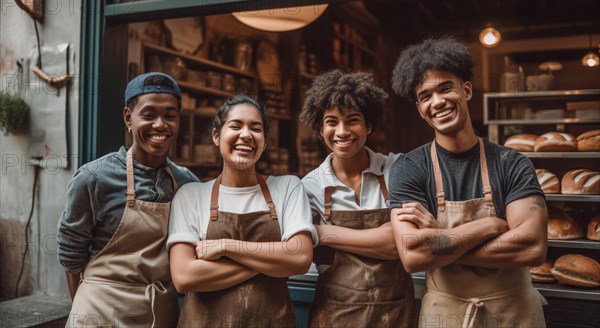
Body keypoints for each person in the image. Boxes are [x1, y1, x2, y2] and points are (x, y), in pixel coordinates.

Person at [389, 36, 548, 328]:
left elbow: (531, 246)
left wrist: (442, 237)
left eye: (445, 88)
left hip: (516, 314)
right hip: (445, 315)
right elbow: (413, 254)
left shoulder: (512, 163)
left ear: (467, 90)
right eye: (425, 96)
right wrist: (487, 226)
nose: (437, 102)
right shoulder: (409, 168)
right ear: (419, 107)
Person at [57, 72, 199, 327]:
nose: (160, 125)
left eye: (170, 115)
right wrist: (86, 309)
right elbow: (71, 257)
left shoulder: (187, 184)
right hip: (99, 315)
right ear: (128, 118)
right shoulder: (95, 178)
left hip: (160, 316)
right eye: (148, 115)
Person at [168, 95, 317, 328]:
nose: (246, 134)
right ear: (216, 136)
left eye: (256, 129)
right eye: (235, 126)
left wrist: (228, 247)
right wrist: (272, 263)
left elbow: (299, 258)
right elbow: (185, 277)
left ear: (265, 142)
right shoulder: (191, 195)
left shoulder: (288, 187)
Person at [300, 70, 418, 328]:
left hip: (396, 313)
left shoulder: (396, 169)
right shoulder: (309, 186)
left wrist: (321, 231)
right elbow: (301, 249)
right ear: (321, 129)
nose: (342, 131)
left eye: (352, 120)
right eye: (331, 122)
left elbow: (397, 242)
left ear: (369, 125)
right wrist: (382, 233)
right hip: (335, 315)